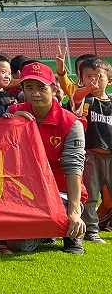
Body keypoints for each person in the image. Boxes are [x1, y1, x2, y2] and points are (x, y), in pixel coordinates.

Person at [10, 62, 87, 254]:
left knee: (63, 214)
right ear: (23, 90)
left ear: (54, 89)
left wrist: (74, 211)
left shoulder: (71, 124)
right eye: (29, 88)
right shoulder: (12, 113)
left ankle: (72, 231)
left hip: (60, 192)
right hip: (23, 191)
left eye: (41, 88)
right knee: (17, 244)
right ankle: (47, 229)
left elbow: (73, 168)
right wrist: (10, 123)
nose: (35, 93)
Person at [73, 57, 112, 243]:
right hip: (91, 154)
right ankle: (91, 230)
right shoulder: (86, 100)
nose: (94, 80)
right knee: (90, 195)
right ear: (81, 79)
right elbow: (76, 97)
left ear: (109, 80)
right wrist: (87, 89)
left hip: (110, 154)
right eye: (88, 76)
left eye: (99, 76)